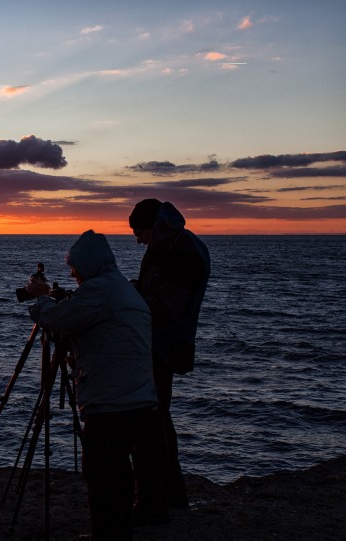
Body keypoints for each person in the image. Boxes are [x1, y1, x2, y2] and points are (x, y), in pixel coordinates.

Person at [26, 230, 157, 541]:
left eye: (75, 269)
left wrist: (40, 296)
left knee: (99, 471)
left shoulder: (100, 291)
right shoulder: (119, 289)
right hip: (136, 397)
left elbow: (57, 319)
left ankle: (106, 535)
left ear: (87, 266)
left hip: (113, 401)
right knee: (118, 471)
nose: (74, 276)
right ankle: (118, 530)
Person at [128, 199, 211, 519]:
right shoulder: (171, 245)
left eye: (139, 232)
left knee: (149, 421)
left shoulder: (182, 253)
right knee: (158, 418)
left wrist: (129, 303)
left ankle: (154, 501)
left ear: (155, 226)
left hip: (162, 345)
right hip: (160, 343)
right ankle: (171, 494)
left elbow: (165, 309)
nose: (137, 240)